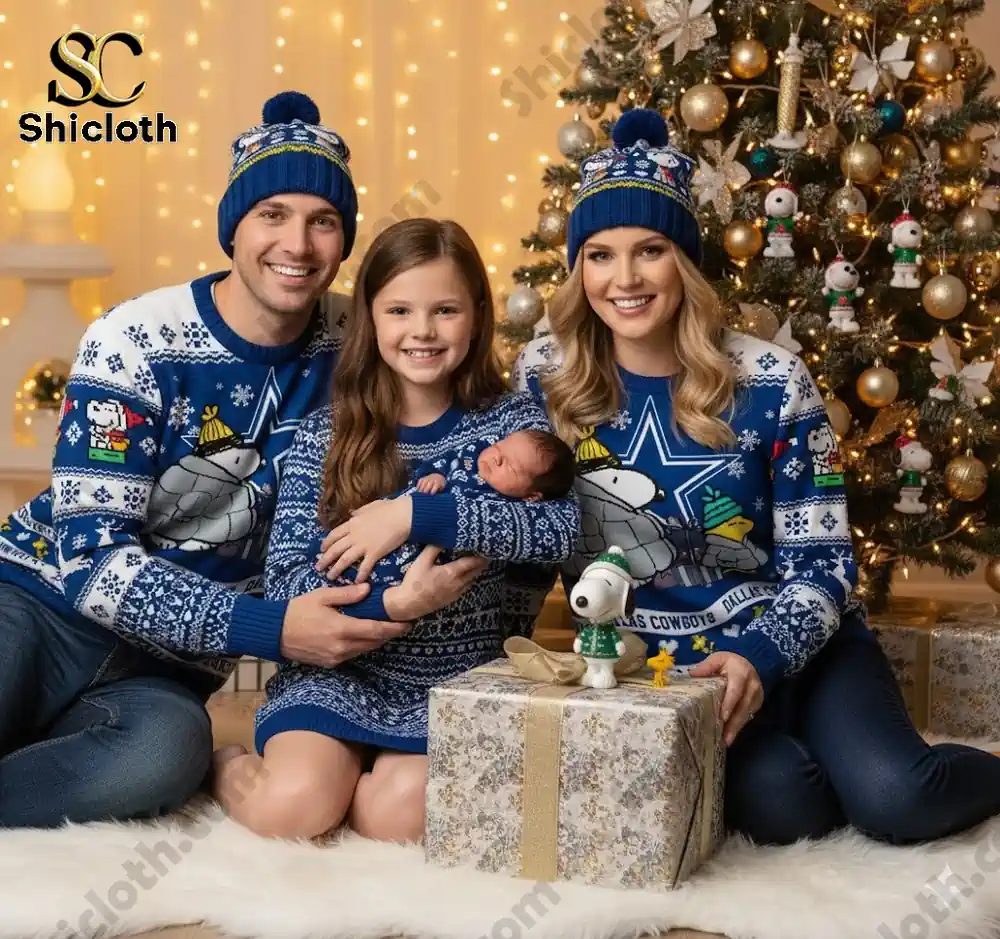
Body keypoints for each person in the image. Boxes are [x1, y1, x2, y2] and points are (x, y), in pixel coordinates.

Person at [509, 108, 1000, 847]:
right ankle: (821, 766)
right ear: (578, 269)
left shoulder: (771, 379)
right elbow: (514, 521)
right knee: (785, 808)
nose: (626, 278)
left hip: (805, 648)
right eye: (601, 256)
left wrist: (761, 656)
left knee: (897, 800)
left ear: (686, 261)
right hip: (668, 676)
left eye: (651, 250)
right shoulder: (543, 378)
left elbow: (827, 564)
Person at [0, 91, 477, 830]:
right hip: (38, 606)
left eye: (324, 221)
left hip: (167, 671)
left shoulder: (363, 338)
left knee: (162, 759)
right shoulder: (135, 338)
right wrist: (272, 628)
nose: (298, 244)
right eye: (273, 215)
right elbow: (92, 565)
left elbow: (458, 398)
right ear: (235, 226)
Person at [212, 218, 580, 844]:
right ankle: (225, 763)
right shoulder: (328, 434)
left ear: (477, 315)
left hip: (454, 677)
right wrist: (396, 604)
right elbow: (286, 586)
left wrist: (413, 514)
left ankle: (365, 783)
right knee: (294, 810)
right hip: (336, 673)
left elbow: (557, 531)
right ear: (371, 318)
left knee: (398, 817)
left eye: (445, 310)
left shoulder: (510, 421)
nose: (423, 331)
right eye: (400, 310)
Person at [413, 427, 576, 501]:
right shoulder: (471, 453)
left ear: (531, 496)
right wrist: (435, 475)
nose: (496, 457)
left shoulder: (505, 507)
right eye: (499, 446)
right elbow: (443, 459)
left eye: (511, 466)